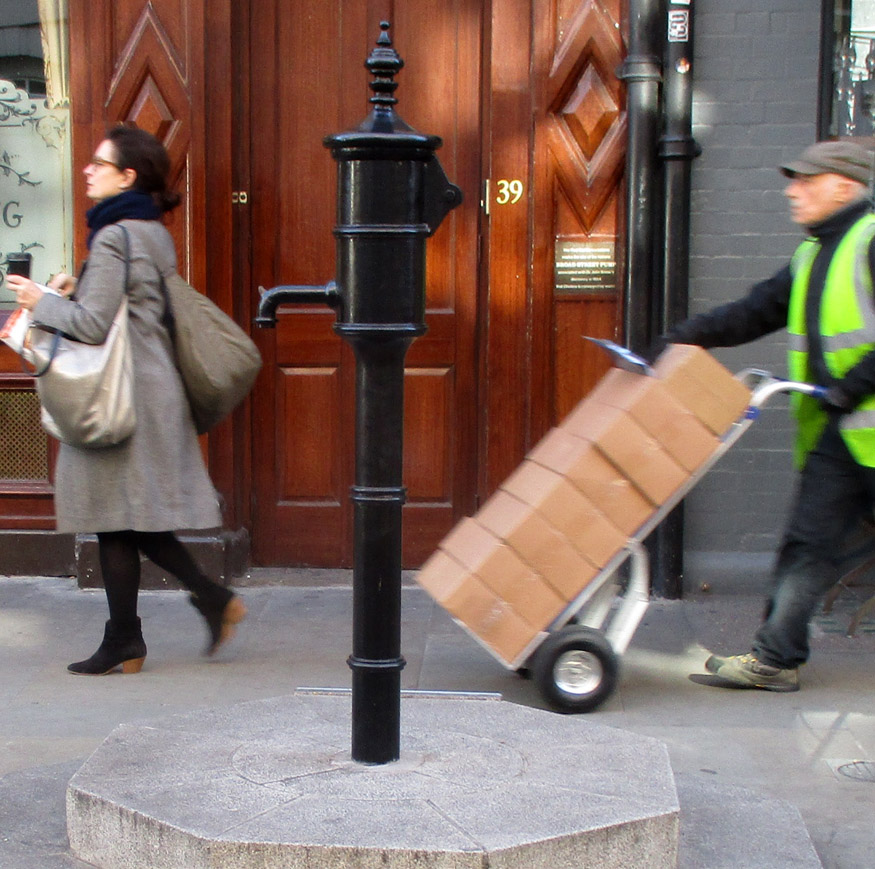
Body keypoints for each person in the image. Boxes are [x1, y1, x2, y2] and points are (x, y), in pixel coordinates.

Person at [6, 126, 246, 675]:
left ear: (127, 175)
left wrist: (40, 300)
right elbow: (120, 310)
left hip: (121, 395)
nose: (87, 170)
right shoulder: (150, 231)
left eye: (99, 163)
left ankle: (154, 626)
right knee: (123, 519)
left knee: (118, 517)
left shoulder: (115, 236)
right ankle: (164, 620)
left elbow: (91, 326)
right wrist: (73, 292)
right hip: (149, 388)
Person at [666, 139, 875, 692]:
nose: (792, 190)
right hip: (843, 436)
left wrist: (850, 387)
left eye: (806, 180)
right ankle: (775, 659)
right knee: (807, 545)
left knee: (812, 546)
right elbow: (756, 311)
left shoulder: (870, 241)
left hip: (860, 422)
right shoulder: (813, 253)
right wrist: (686, 337)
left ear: (844, 185)